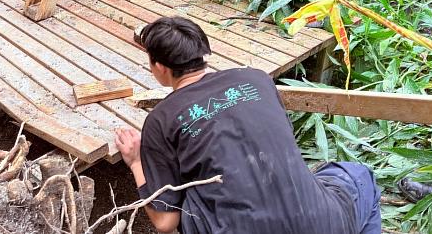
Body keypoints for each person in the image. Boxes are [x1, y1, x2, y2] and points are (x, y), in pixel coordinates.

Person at [114, 16, 381, 234]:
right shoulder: (257, 80)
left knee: (190, 194)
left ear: (159, 67)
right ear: (204, 53)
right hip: (321, 224)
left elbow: (165, 222)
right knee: (359, 176)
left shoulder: (162, 119)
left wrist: (137, 161)